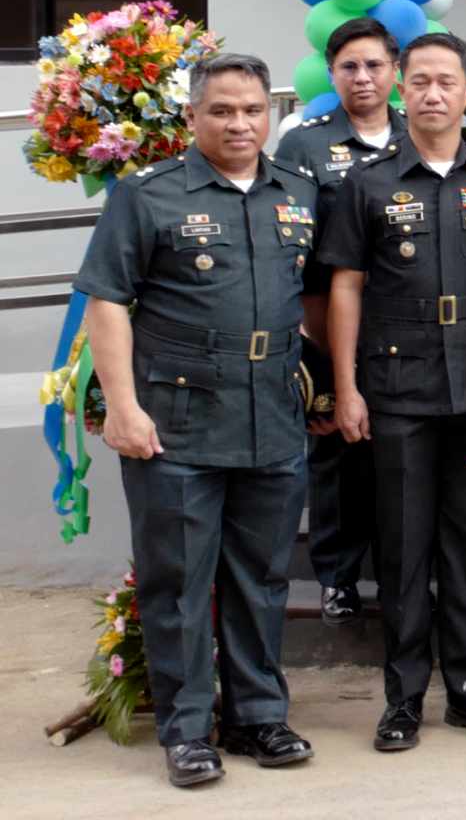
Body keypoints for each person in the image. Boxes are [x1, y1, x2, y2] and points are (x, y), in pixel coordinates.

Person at [77, 53, 318, 789]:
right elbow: (108, 300)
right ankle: (187, 731)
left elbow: (312, 298)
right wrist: (121, 406)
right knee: (178, 579)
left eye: (252, 110)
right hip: (175, 418)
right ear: (192, 117)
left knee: (262, 577)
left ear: (268, 114)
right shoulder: (148, 195)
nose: (240, 123)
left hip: (272, 412)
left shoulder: (299, 192)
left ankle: (257, 717)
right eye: (222, 110)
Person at [321, 31, 466, 749]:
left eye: (448, 82)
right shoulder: (366, 182)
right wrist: (345, 388)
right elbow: (344, 287)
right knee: (403, 552)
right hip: (397, 390)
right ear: (402, 90)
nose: (434, 94)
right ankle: (403, 698)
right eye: (421, 82)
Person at [277, 16, 407, 627]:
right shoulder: (304, 143)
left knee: (401, 455)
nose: (362, 77)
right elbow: (293, 248)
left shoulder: (418, 136)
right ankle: (338, 576)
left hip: (406, 327)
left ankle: (402, 574)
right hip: (327, 320)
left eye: (374, 65)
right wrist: (314, 347)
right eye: (349, 67)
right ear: (332, 74)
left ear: (395, 71)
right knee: (337, 454)